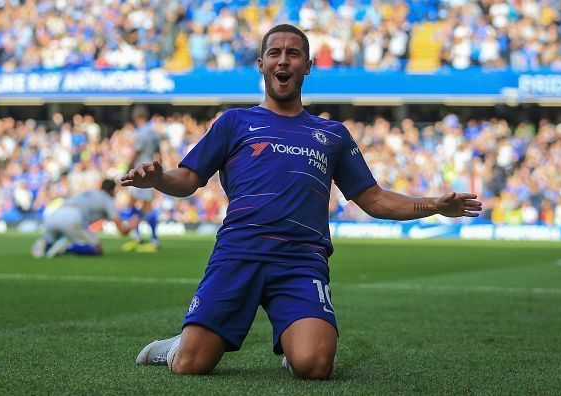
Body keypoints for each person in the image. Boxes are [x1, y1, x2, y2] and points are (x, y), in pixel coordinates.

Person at [122, 24, 482, 379]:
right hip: (239, 252)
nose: (283, 61)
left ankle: (297, 347)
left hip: (301, 260)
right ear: (261, 64)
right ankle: (176, 345)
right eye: (274, 53)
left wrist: (432, 205)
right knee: (191, 364)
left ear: (307, 65)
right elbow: (187, 180)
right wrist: (158, 179)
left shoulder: (332, 135)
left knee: (315, 366)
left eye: (293, 53)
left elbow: (374, 199)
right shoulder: (234, 122)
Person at [31, 179, 140, 258]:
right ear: (112, 191)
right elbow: (122, 230)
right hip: (72, 217)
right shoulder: (107, 200)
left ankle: (45, 243)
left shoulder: (89, 192)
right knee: (98, 250)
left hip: (55, 214)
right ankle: (66, 248)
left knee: (52, 236)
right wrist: (131, 225)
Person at [122, 105, 162, 253]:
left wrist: (128, 169)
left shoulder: (142, 132)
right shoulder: (153, 132)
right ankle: (138, 236)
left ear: (136, 117)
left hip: (140, 171)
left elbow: (136, 152)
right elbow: (159, 152)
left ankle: (153, 239)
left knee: (145, 206)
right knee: (135, 202)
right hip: (150, 169)